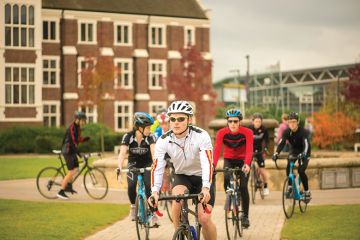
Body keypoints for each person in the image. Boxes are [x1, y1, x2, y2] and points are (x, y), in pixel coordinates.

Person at [148, 100, 217, 240]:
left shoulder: (201, 136)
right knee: (176, 202)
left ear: (189, 119)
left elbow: (207, 163)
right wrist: (154, 192)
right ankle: (179, 233)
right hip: (182, 176)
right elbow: (157, 167)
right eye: (172, 119)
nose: (176, 122)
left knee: (203, 219)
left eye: (181, 119)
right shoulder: (163, 140)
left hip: (202, 178)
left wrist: (205, 188)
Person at [213, 109, 253, 228]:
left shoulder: (247, 132)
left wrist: (247, 164)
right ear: (227, 122)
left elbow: (249, 149)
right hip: (229, 159)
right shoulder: (221, 133)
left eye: (235, 121)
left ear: (239, 121)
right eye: (230, 121)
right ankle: (230, 197)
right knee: (226, 177)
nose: (233, 124)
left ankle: (245, 216)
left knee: (244, 187)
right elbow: (217, 150)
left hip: (243, 160)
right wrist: (212, 166)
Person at [117, 112, 159, 224]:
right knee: (131, 185)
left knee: (149, 186)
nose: (150, 129)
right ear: (140, 127)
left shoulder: (151, 136)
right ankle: (133, 207)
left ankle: (153, 213)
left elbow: (154, 152)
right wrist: (119, 167)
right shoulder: (128, 136)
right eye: (148, 127)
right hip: (133, 164)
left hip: (147, 163)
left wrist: (155, 164)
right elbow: (122, 153)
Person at [272, 112, 311, 202]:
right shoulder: (287, 132)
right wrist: (276, 153)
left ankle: (306, 191)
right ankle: (289, 187)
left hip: (305, 151)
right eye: (290, 122)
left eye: (294, 122)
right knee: (289, 166)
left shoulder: (303, 132)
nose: (292, 124)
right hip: (294, 151)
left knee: (301, 171)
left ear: (298, 122)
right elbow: (281, 142)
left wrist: (304, 154)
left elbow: (306, 144)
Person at [57, 111, 90, 200]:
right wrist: (79, 154)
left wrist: (85, 139)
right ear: (77, 119)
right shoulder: (72, 128)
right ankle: (61, 191)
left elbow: (78, 139)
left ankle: (68, 186)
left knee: (76, 169)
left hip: (72, 151)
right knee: (71, 171)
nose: (84, 122)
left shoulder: (78, 127)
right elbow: (72, 143)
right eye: (83, 120)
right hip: (68, 151)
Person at [249, 113, 270, 195]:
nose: (258, 123)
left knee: (262, 170)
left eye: (259, 121)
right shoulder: (249, 129)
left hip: (260, 150)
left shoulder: (264, 129)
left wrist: (265, 149)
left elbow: (267, 141)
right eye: (256, 121)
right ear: (253, 122)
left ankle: (265, 186)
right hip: (250, 151)